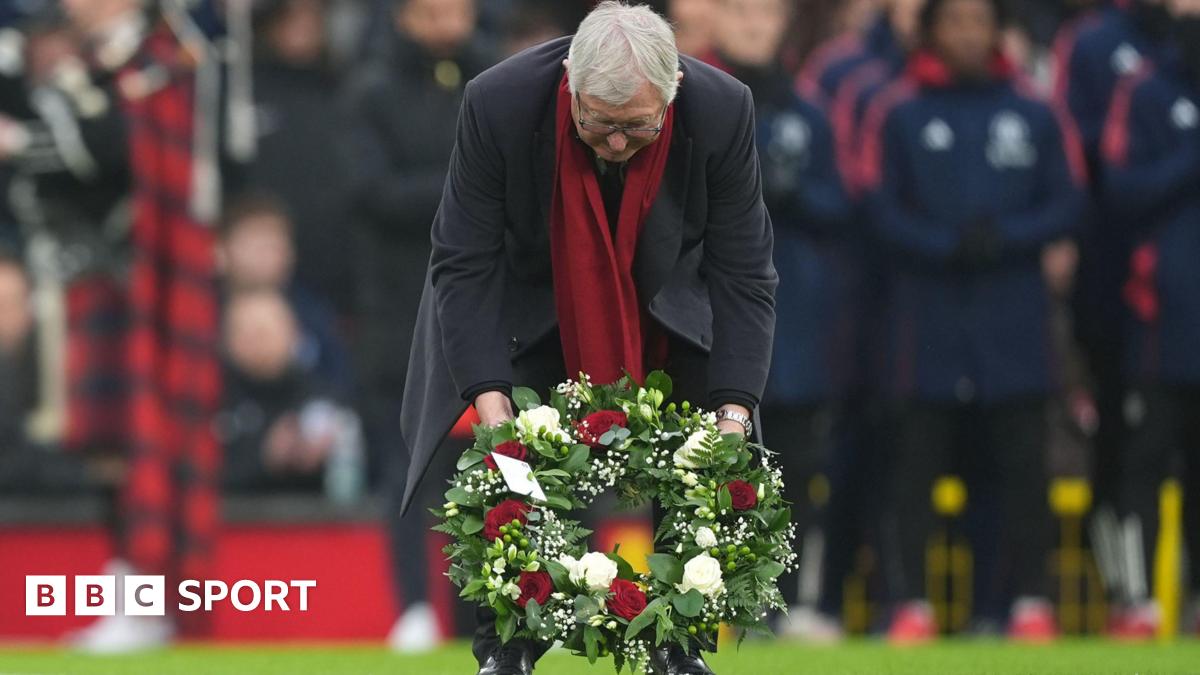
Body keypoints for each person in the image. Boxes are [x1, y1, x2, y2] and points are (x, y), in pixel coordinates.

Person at [399, 3, 776, 673]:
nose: (615, 143)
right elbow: (463, 260)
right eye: (597, 122)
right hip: (531, 303)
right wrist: (489, 399)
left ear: (673, 92)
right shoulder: (499, 102)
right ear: (570, 80)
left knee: (707, 456)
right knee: (512, 463)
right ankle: (508, 651)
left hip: (666, 307)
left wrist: (735, 410)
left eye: (636, 125)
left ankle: (679, 651)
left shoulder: (723, 109)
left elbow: (745, 273)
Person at [858, 0, 1086, 643]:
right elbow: (875, 205)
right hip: (924, 327)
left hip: (1012, 327)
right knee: (915, 472)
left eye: (978, 20)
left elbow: (1069, 201)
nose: (967, 33)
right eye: (953, 21)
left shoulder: (1034, 110)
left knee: (1015, 472)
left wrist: (1005, 237)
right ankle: (911, 606)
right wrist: (942, 244)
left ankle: (1020, 605)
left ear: (996, 30)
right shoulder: (898, 111)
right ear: (930, 31)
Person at [342, 0, 494, 654]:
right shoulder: (369, 90)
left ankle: (475, 615)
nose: (447, 25)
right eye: (431, 11)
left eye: (455, 11)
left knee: (484, 471)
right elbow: (371, 192)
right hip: (399, 314)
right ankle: (410, 607)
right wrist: (469, 192)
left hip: (480, 310)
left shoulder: (491, 83)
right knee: (408, 467)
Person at [703, 0, 853, 641]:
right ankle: (717, 602)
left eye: (764, 13)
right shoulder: (693, 105)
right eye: (739, 13)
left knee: (791, 465)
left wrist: (793, 190)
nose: (754, 26)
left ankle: (780, 603)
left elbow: (846, 201)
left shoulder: (807, 112)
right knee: (718, 466)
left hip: (793, 314)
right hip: (716, 312)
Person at [1099, 0, 1200, 639]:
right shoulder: (1145, 88)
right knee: (1142, 461)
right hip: (1162, 319)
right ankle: (1135, 601)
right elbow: (1118, 187)